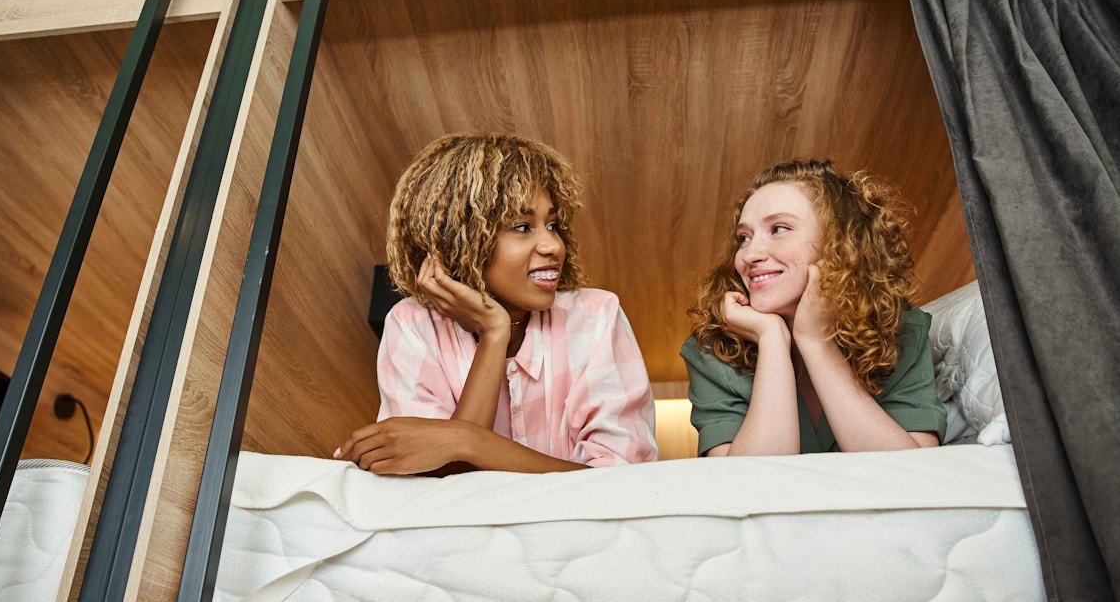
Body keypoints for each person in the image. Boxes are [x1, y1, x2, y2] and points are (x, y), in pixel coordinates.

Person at [336, 132, 658, 474]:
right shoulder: (412, 325)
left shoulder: (595, 317)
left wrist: (467, 441)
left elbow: (623, 484)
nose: (553, 246)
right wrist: (494, 332)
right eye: (522, 226)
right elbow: (431, 492)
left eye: (552, 224)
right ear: (459, 239)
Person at [682, 159, 946, 456]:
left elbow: (913, 475)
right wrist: (771, 339)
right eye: (744, 238)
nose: (749, 254)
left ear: (841, 241)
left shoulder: (902, 329)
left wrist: (816, 342)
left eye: (779, 229)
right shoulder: (712, 350)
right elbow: (748, 489)